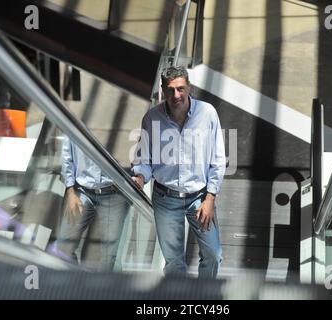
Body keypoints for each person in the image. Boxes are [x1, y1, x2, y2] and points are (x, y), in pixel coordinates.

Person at [131, 65, 226, 279]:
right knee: (174, 263)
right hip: (166, 199)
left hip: (200, 198)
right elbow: (143, 160)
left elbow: (218, 159)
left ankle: (205, 298)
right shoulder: (151, 119)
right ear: (163, 90)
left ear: (189, 87)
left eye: (181, 89)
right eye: (171, 89)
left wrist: (210, 197)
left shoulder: (207, 113)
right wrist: (139, 177)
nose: (176, 95)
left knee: (213, 254)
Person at [56, 136, 129, 271]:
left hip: (114, 193)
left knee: (109, 255)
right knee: (63, 246)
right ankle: (77, 283)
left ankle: (104, 290)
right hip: (82, 191)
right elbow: (67, 156)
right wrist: (70, 192)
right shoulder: (80, 118)